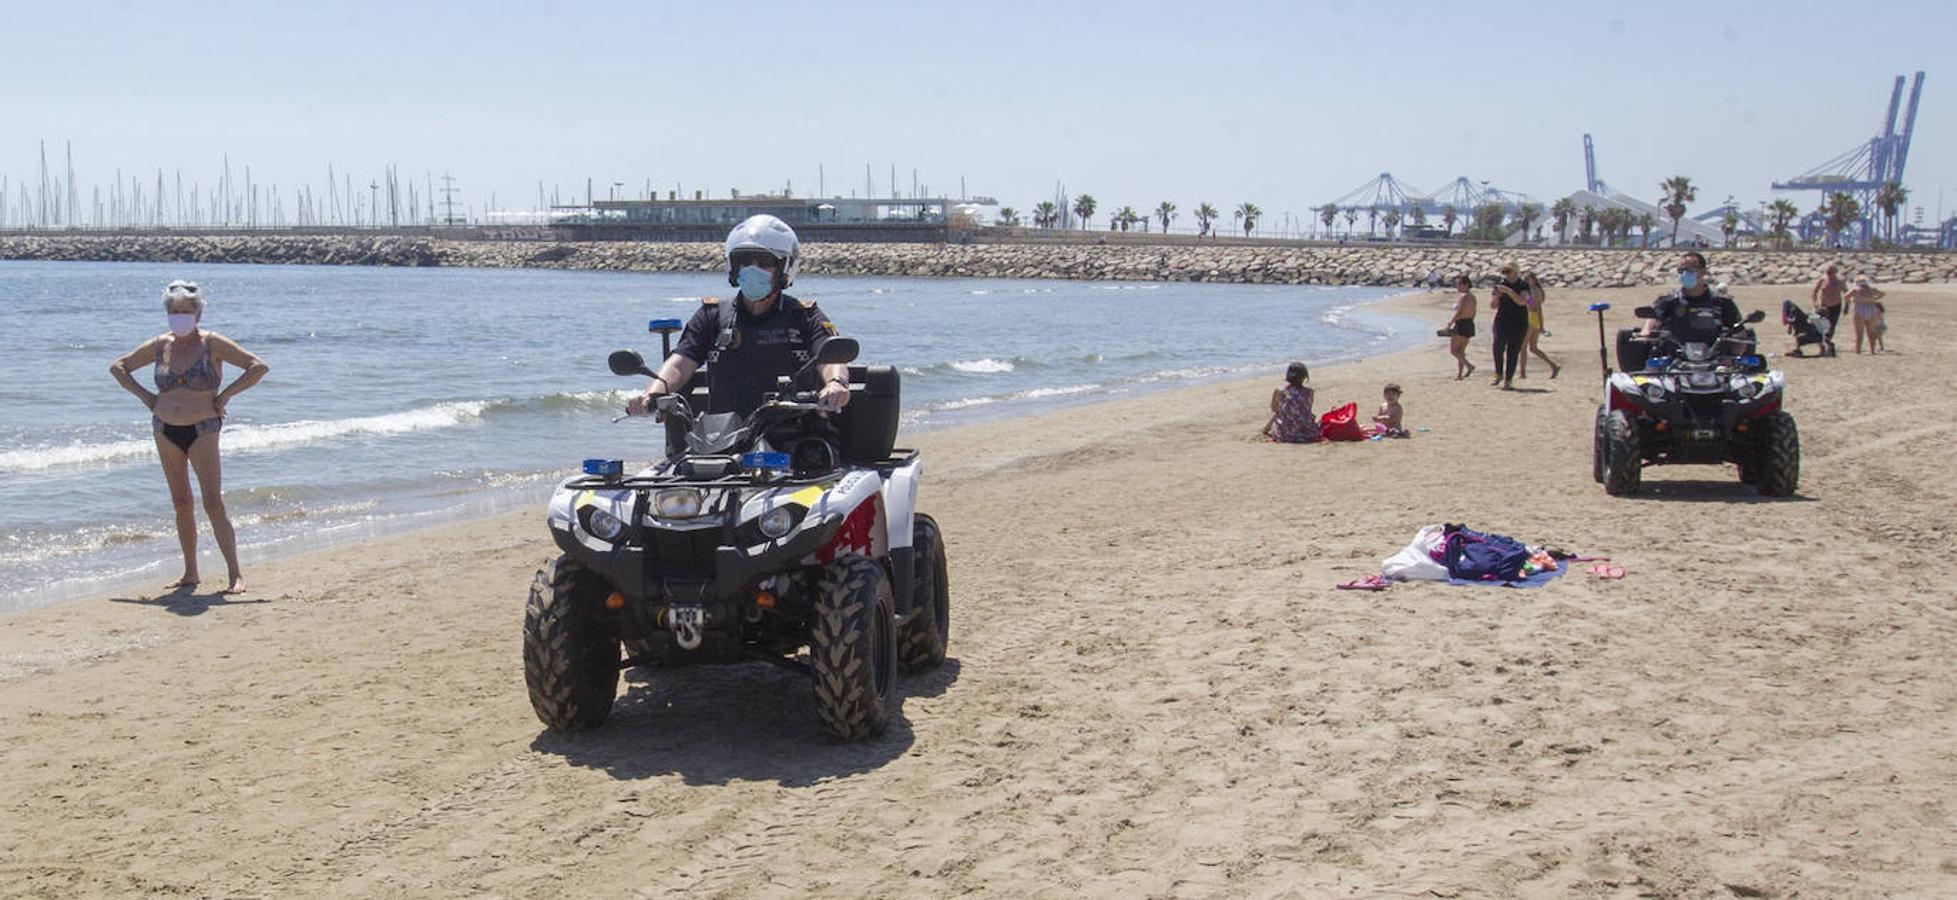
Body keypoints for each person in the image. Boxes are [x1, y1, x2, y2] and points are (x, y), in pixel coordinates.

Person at [109, 280, 269, 593]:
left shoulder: (212, 343)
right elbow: (118, 367)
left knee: (212, 502)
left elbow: (257, 366)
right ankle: (190, 572)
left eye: (186, 310)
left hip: (203, 429)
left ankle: (235, 574)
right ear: (168, 312)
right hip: (165, 430)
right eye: (175, 311)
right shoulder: (160, 344)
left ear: (198, 312)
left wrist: (225, 396)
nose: (180, 315)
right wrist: (147, 398)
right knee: (181, 502)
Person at [625, 215, 851, 421]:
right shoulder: (711, 315)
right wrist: (653, 392)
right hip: (723, 435)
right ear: (733, 266)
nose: (752, 269)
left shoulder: (805, 315)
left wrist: (835, 383)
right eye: (744, 261)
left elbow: (832, 358)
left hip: (798, 433)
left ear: (784, 268)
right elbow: (681, 362)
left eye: (763, 262)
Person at [1642, 251, 1742, 349]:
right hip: (1675, 358)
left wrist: (1731, 359)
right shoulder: (1669, 300)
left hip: (1712, 359)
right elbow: (1654, 317)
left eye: (1690, 270)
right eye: (1681, 271)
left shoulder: (1722, 302)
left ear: (1703, 272)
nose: (1685, 274)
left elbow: (1740, 334)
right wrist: (1646, 330)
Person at [1488, 263, 1530, 389]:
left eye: (1508, 271)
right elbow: (1493, 305)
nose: (1506, 274)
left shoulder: (1523, 285)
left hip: (1519, 322)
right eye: (1504, 271)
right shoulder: (1500, 285)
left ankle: (1508, 380)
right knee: (1497, 347)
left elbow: (1523, 301)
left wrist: (1509, 291)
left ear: (1515, 272)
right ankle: (1498, 374)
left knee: (1513, 350)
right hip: (1502, 320)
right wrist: (1497, 297)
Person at [1517, 270, 1561, 379]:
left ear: (1533, 280)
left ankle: (1523, 373)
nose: (1526, 281)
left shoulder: (1531, 291)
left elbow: (1531, 304)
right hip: (1535, 318)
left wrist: (1526, 300)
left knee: (1523, 347)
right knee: (1533, 348)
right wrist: (1541, 324)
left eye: (1528, 279)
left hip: (1530, 317)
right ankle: (1553, 365)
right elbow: (1539, 308)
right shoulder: (1538, 291)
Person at [1262, 361, 1320, 443]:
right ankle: (1266, 428)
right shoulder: (1309, 392)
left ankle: (1266, 429)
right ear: (1304, 377)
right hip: (1307, 430)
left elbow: (1274, 409)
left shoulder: (1281, 390)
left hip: (1287, 433)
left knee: (1280, 412)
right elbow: (1306, 408)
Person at [1440, 274, 1477, 380]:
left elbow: (1460, 313)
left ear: (1465, 285)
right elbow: (1473, 312)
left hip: (1461, 324)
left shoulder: (1465, 297)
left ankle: (1469, 366)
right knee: (1461, 351)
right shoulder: (1473, 297)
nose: (1458, 287)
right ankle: (1460, 374)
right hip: (1469, 323)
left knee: (1454, 351)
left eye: (1459, 284)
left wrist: (1450, 323)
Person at [1846, 275, 1887, 354]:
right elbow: (1882, 294)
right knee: (1871, 331)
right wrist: (1874, 299)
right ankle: (1872, 350)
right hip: (1871, 309)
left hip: (1859, 309)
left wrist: (1852, 300)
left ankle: (1858, 350)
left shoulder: (1855, 289)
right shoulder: (1872, 289)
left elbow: (1846, 296)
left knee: (1859, 332)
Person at [1811, 263, 1845, 353]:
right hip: (1823, 307)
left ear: (1835, 272)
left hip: (1836, 305)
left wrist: (1847, 306)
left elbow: (1846, 293)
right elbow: (1814, 292)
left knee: (1831, 326)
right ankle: (1822, 344)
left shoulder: (1840, 281)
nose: (1829, 273)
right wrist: (1815, 303)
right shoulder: (1823, 280)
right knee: (1820, 326)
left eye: (1831, 272)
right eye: (1828, 272)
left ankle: (1828, 342)